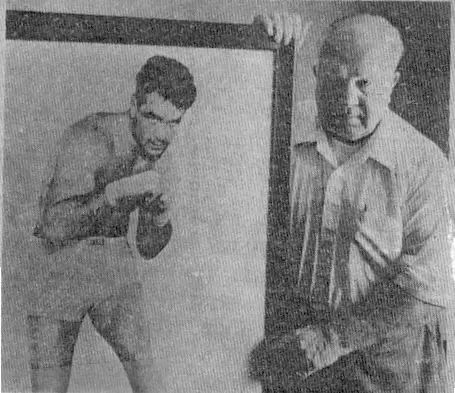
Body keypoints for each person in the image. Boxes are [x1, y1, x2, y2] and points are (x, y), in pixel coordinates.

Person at [250, 13, 454, 392]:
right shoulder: (280, 128)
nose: (347, 99)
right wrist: (255, 51)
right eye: (335, 78)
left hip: (388, 361)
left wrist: (330, 339)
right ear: (315, 72)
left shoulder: (425, 164)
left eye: (364, 83)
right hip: (300, 355)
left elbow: (425, 291)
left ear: (392, 84)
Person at [29, 55, 197, 393]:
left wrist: (158, 217)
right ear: (133, 106)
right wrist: (113, 194)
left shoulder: (152, 150)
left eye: (173, 123)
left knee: (150, 384)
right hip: (58, 266)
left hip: (111, 264)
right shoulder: (89, 138)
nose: (162, 134)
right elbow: (52, 226)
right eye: (152, 117)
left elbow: (148, 248)